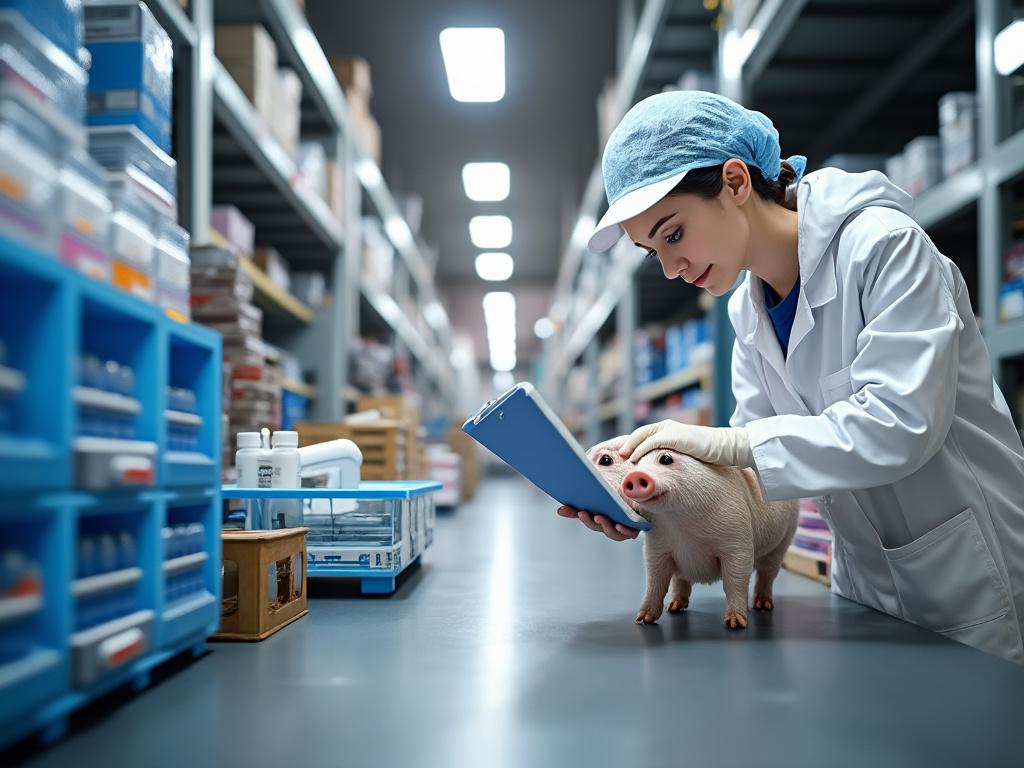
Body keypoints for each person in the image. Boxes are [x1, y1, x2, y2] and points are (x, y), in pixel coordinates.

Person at [558, 90, 1024, 662]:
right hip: (863, 586)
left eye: (673, 233)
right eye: (653, 252)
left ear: (734, 182)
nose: (674, 269)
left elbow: (903, 423)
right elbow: (756, 472)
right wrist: (653, 499)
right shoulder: (744, 312)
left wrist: (733, 442)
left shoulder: (884, 248)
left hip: (972, 577)